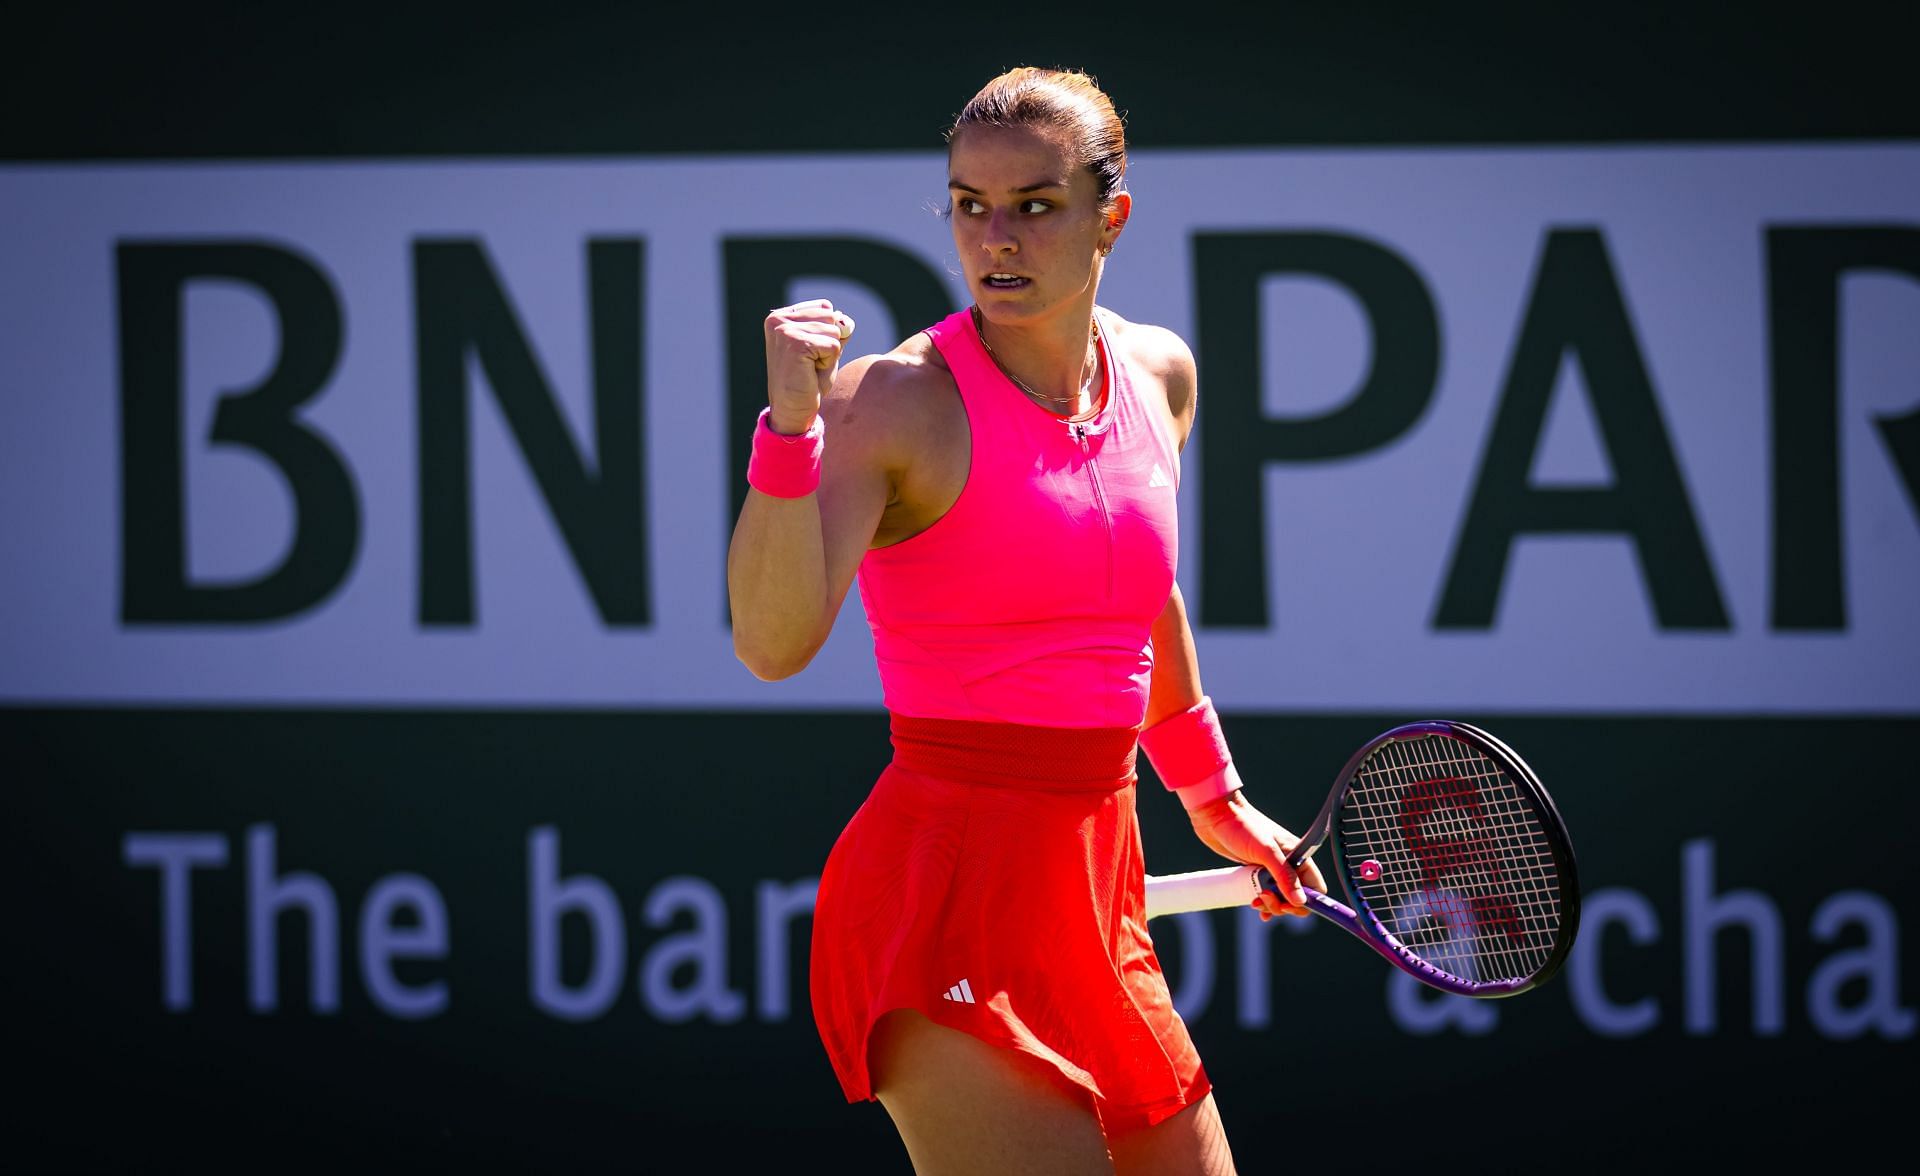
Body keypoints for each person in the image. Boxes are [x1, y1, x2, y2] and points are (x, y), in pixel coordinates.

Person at [727, 66, 1327, 1176]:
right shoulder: (890, 401)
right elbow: (771, 644)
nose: (994, 237)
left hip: (1097, 887)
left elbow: (1136, 594)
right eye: (969, 204)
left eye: (1034, 206)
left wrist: (1217, 797)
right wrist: (791, 430)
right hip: (938, 896)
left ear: (1114, 217)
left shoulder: (1159, 377)